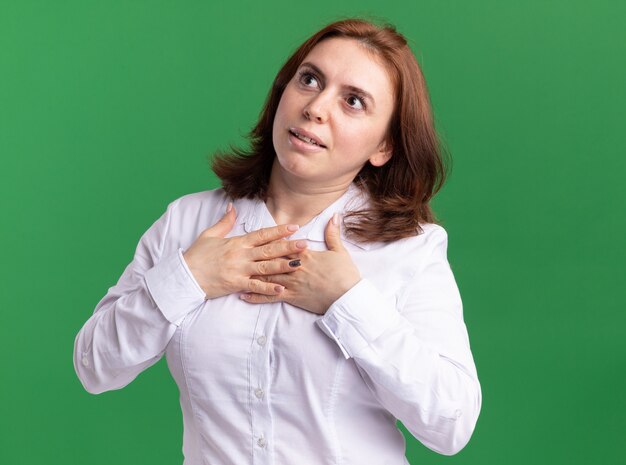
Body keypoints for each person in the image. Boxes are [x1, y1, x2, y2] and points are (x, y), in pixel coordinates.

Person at [74, 18, 481, 465]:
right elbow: (94, 366)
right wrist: (190, 277)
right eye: (309, 79)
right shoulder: (187, 222)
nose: (317, 107)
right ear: (282, 92)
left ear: (383, 146)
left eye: (353, 101)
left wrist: (348, 301)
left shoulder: (410, 250)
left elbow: (452, 424)